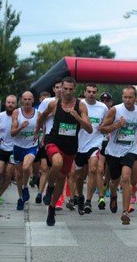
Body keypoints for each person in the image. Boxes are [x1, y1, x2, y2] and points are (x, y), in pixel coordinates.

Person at [35, 77, 93, 226]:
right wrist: (37, 132)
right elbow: (41, 117)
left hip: (70, 146)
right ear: (60, 89)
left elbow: (89, 129)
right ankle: (49, 188)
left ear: (74, 90)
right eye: (64, 88)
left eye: (70, 89)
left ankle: (52, 207)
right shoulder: (54, 104)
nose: (67, 92)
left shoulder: (81, 106)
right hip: (53, 140)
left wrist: (78, 118)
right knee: (57, 162)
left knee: (62, 178)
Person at [98, 86, 137, 225]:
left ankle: (125, 212)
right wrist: (116, 125)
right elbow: (102, 129)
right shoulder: (115, 110)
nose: (128, 100)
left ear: (136, 98)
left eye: (130, 97)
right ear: (122, 97)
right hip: (113, 151)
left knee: (126, 178)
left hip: (130, 149)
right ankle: (113, 194)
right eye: (125, 97)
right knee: (114, 182)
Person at [73, 84, 108, 215]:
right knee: (78, 175)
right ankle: (80, 196)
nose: (91, 94)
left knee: (93, 169)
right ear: (84, 92)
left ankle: (88, 201)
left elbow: (106, 123)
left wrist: (105, 128)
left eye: (94, 92)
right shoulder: (78, 105)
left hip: (95, 142)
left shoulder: (103, 107)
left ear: (96, 93)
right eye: (89, 91)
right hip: (79, 143)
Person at [11, 92, 39, 210]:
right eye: (25, 99)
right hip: (18, 146)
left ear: (33, 100)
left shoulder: (38, 113)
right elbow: (12, 133)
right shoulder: (16, 113)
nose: (27, 101)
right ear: (21, 100)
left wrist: (38, 134)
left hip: (31, 146)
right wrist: (20, 127)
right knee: (18, 175)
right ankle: (21, 197)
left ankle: (25, 187)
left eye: (29, 99)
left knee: (26, 167)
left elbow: (43, 127)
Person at [0, 95, 18, 205]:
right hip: (2, 148)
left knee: (8, 174)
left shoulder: (19, 116)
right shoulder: (0, 116)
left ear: (16, 104)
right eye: (8, 102)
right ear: (5, 103)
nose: (10, 104)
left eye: (13, 103)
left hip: (14, 149)